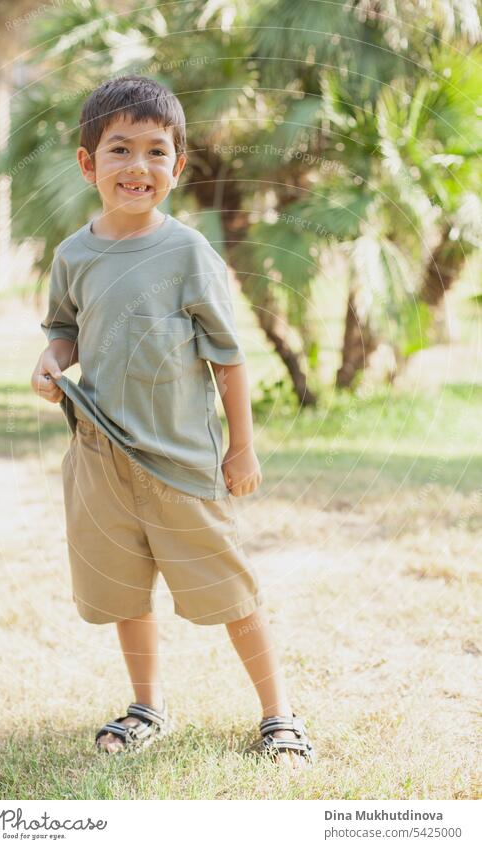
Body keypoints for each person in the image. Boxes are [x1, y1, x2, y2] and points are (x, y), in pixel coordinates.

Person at [30, 75, 315, 770]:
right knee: (124, 589)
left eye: (156, 152)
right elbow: (65, 329)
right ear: (87, 162)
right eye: (119, 149)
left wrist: (240, 451)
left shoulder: (188, 253)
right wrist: (50, 358)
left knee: (230, 592)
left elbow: (228, 357)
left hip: (180, 462)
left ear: (177, 167)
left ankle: (278, 714)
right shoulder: (73, 254)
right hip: (99, 458)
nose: (137, 167)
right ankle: (146, 704)